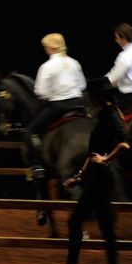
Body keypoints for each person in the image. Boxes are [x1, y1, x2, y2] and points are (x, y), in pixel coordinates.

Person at [53, 76, 130, 264]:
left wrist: (106, 159)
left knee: (74, 221)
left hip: (101, 179)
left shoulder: (111, 117)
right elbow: (92, 153)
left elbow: (124, 144)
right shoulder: (104, 115)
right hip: (96, 177)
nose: (90, 99)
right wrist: (78, 176)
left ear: (99, 96)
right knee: (106, 229)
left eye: (93, 95)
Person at [25, 33, 86, 183]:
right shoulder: (74, 63)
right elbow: (83, 85)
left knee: (31, 132)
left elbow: (41, 92)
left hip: (59, 106)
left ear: (51, 47)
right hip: (78, 104)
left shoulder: (47, 66)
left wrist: (51, 94)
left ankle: (37, 167)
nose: (45, 49)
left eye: (45, 47)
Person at [106, 22, 132, 112]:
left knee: (104, 110)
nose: (116, 40)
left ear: (123, 38)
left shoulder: (125, 56)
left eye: (117, 38)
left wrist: (101, 82)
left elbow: (112, 79)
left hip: (129, 97)